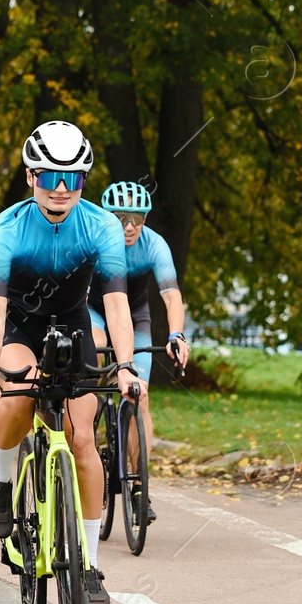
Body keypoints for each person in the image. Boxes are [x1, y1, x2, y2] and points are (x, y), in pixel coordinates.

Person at [0, 121, 139, 604]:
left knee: (82, 437)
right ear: (29, 177)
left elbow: (116, 305)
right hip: (19, 328)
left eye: (73, 179)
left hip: (72, 324)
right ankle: (2, 479)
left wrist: (126, 366)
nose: (61, 189)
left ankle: (87, 565)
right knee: (19, 399)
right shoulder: (3, 230)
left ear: (85, 180)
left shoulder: (102, 226)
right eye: (48, 177)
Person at [87, 181, 189, 524]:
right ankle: (92, 416)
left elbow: (172, 294)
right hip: (94, 311)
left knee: (138, 396)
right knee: (98, 345)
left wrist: (177, 334)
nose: (129, 226)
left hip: (135, 316)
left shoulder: (154, 244)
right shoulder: (95, 237)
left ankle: (139, 489)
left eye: (137, 218)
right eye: (120, 217)